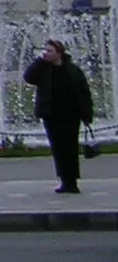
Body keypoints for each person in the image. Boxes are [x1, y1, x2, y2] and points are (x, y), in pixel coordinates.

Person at [26, 38, 96, 194]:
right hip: (51, 115)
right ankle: (64, 180)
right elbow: (28, 77)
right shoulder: (43, 69)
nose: (46, 53)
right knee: (58, 148)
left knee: (70, 147)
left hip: (71, 115)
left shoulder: (72, 70)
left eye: (50, 51)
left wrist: (87, 114)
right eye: (45, 50)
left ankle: (72, 181)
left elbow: (84, 93)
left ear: (59, 53)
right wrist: (40, 61)